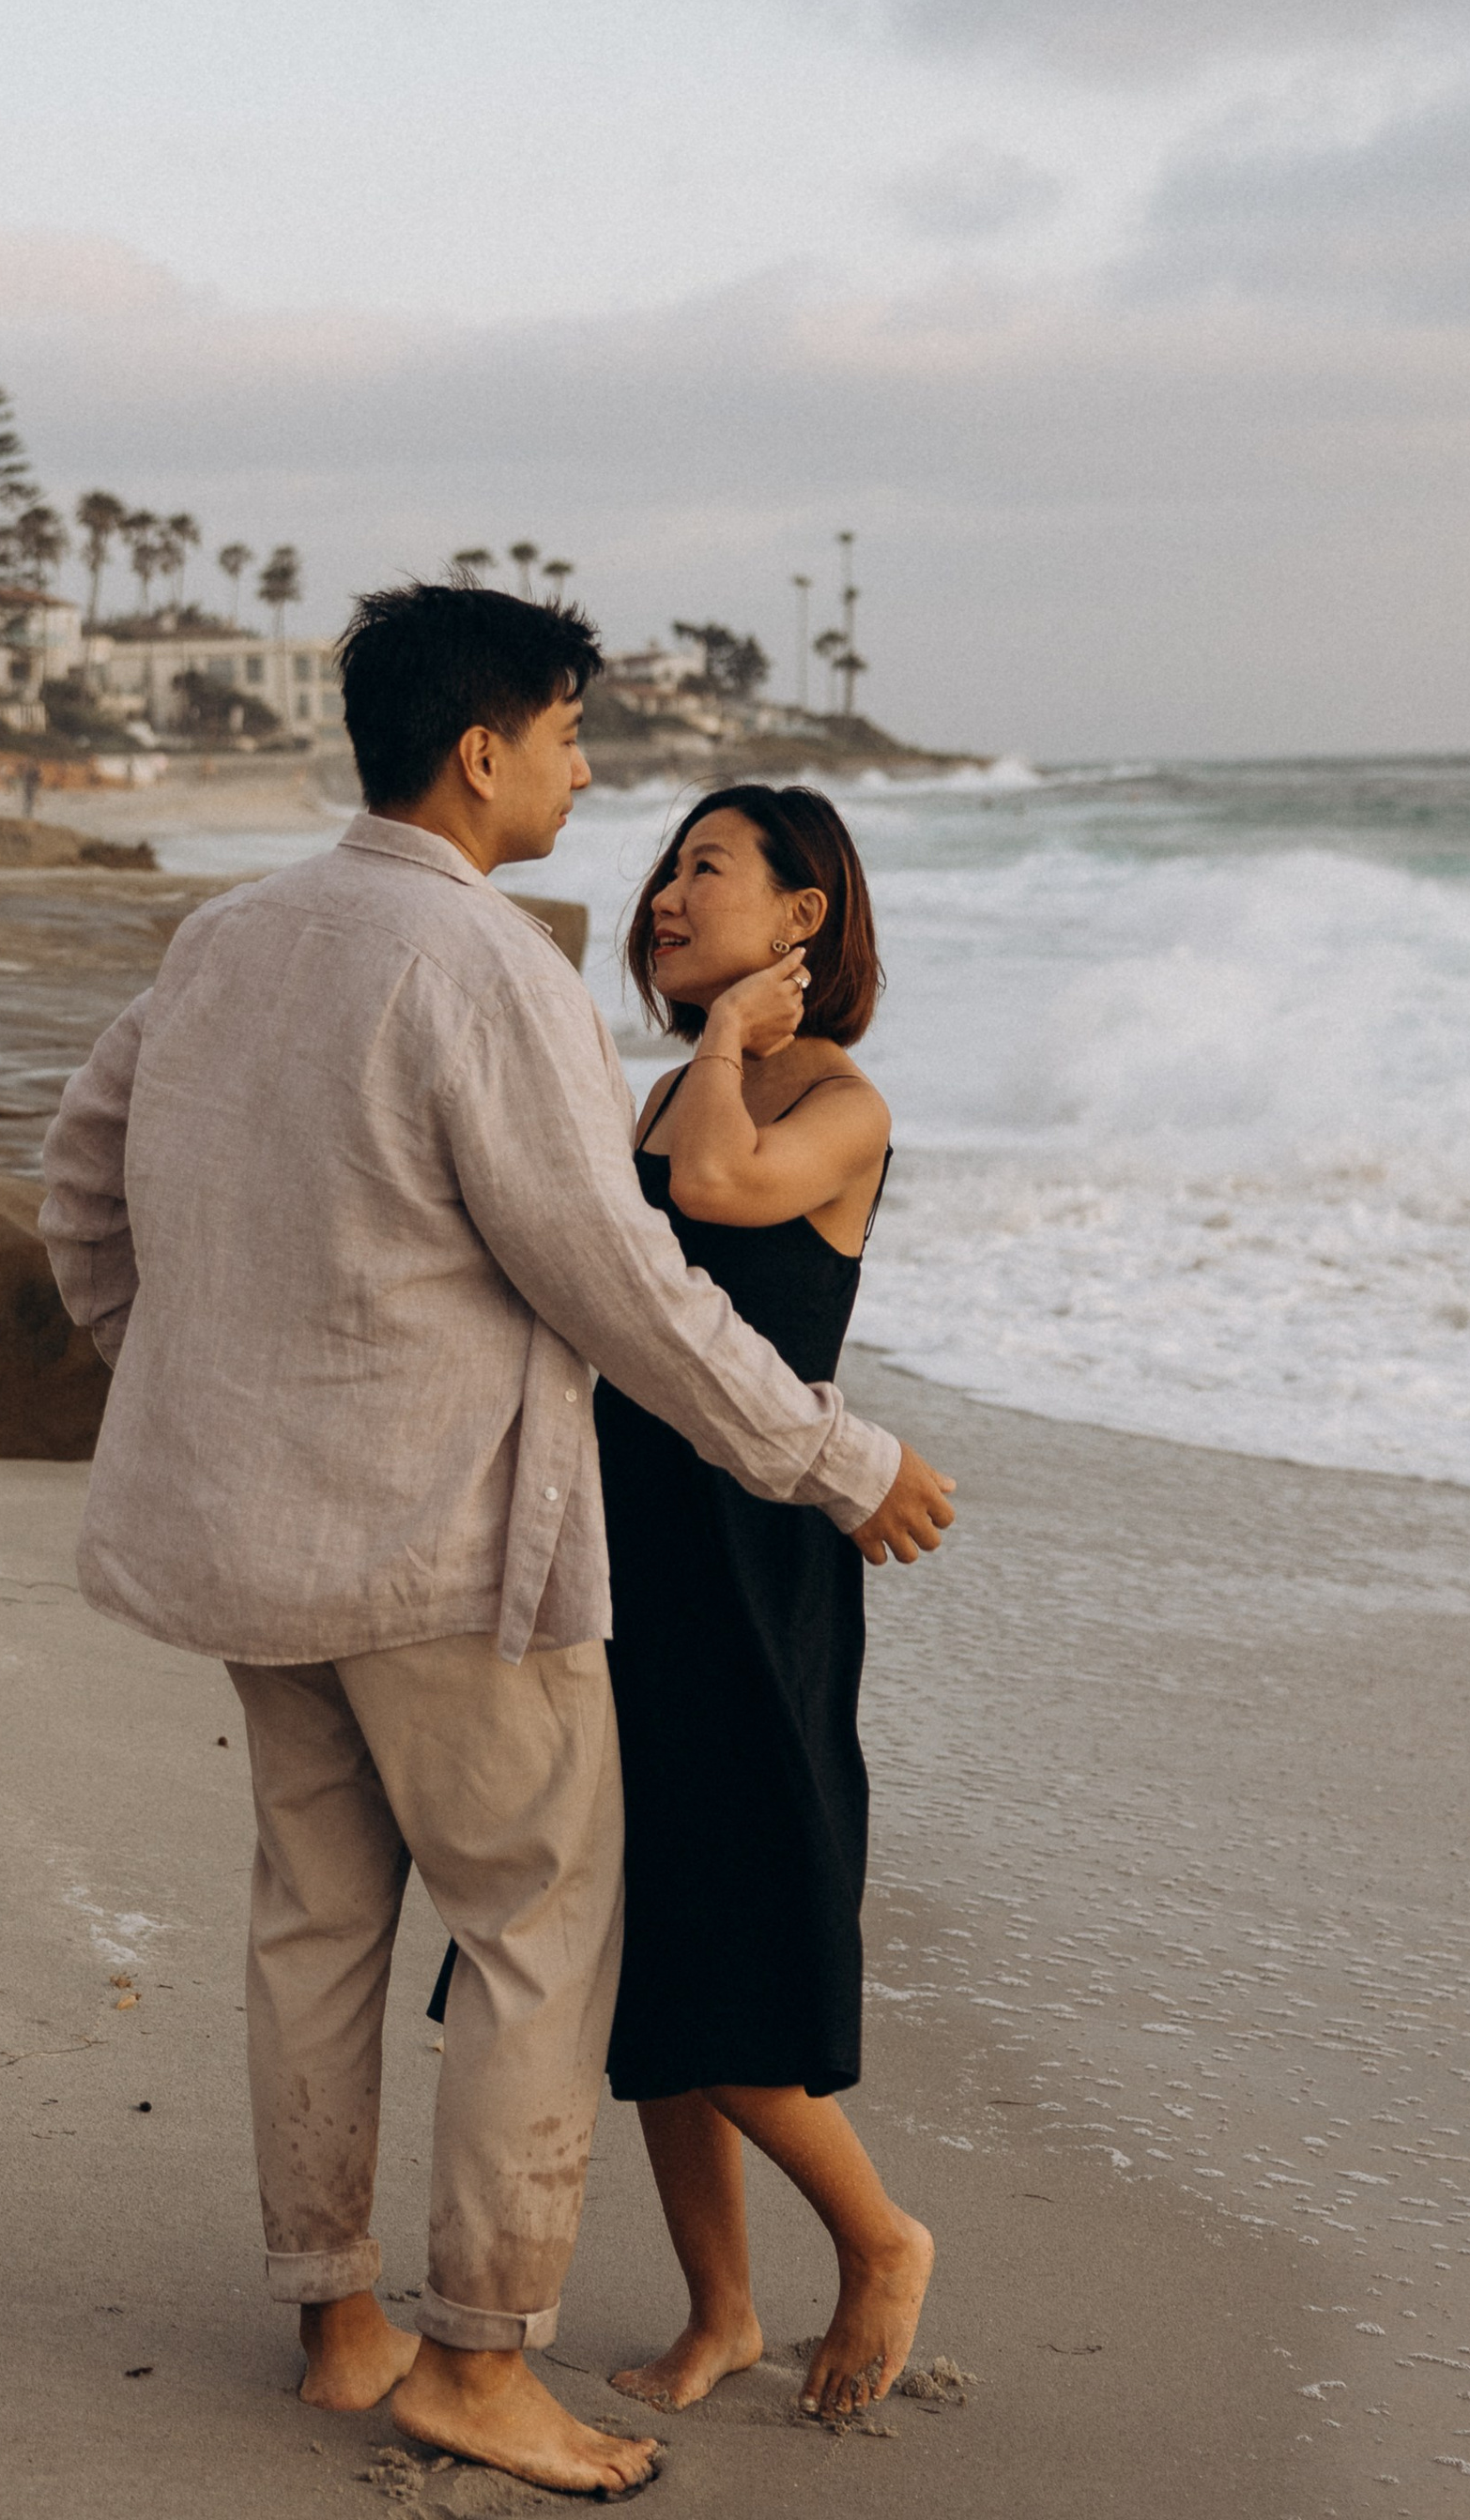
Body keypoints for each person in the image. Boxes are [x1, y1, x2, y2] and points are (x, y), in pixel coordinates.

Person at [37, 584, 956, 2500]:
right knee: (544, 1932)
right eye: (563, 734)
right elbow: (617, 1280)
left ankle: (336, 2326)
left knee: (312, 1923)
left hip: (245, 1533)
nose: (582, 768)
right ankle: (474, 2360)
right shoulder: (485, 966)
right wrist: (833, 1457)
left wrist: (191, 1386)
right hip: (443, 1547)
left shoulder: (223, 938)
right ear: (480, 751)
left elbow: (77, 1188)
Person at [598, 787, 936, 2424]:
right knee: (641, 1955)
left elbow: (724, 1191)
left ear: (805, 917)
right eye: (665, 865)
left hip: (752, 1554)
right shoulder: (670, 1082)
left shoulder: (834, 1102)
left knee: (716, 1938)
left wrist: (731, 1032)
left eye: (706, 868)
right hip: (624, 1545)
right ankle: (721, 2310)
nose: (666, 890)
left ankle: (877, 2238)